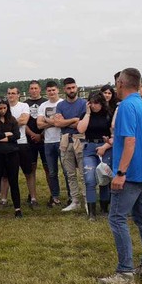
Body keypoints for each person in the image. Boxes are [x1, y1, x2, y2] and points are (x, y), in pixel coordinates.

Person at [98, 68, 142, 284]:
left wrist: (121, 172)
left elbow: (130, 141)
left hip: (130, 174)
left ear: (122, 84)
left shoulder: (125, 107)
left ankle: (125, 272)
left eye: (117, 83)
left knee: (117, 218)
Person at [52, 77, 87, 211]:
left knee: (84, 174)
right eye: (68, 88)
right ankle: (75, 200)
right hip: (66, 141)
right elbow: (57, 123)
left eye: (73, 87)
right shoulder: (60, 105)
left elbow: (82, 124)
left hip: (81, 140)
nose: (71, 90)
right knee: (70, 174)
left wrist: (66, 121)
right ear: (64, 89)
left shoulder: (83, 103)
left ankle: (86, 200)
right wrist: (73, 120)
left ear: (76, 87)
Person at [0, 98, 23, 219]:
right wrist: (6, 134)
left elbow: (17, 135)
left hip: (12, 153)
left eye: (5, 108)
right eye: (0, 108)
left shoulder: (12, 120)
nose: (2, 110)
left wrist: (1, 138)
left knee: (14, 181)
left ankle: (18, 209)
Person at [77, 91, 112, 220]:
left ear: (102, 103)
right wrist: (87, 113)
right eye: (91, 103)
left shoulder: (108, 115)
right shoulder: (86, 114)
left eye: (96, 103)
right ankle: (92, 212)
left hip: (105, 147)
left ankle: (104, 208)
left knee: (104, 178)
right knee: (90, 179)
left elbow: (114, 135)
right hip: (89, 147)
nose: (94, 106)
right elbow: (80, 130)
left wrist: (104, 147)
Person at [3, 86, 34, 206]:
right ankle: (4, 199)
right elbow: (1, 123)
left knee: (28, 172)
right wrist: (15, 122)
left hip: (22, 142)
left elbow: (24, 120)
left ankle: (33, 197)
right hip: (7, 144)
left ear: (18, 95)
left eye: (13, 93)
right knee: (6, 174)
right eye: (9, 93)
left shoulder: (23, 106)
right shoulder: (3, 107)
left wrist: (8, 123)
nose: (11, 95)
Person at [37, 81, 64, 208]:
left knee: (66, 171)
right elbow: (39, 124)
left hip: (62, 140)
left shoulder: (63, 103)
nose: (52, 92)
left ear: (58, 90)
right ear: (46, 92)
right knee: (52, 172)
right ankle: (55, 196)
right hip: (48, 142)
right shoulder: (43, 106)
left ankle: (71, 197)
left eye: (53, 90)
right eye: (49, 90)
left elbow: (64, 122)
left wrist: (47, 120)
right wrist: (54, 122)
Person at [25, 81, 48, 207]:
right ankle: (32, 196)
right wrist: (33, 134)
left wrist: (41, 135)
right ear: (29, 90)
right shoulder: (24, 104)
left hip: (45, 139)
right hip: (30, 139)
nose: (34, 90)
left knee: (48, 168)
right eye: (31, 88)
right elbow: (24, 123)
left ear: (40, 89)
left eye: (36, 88)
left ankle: (53, 195)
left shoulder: (45, 103)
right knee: (31, 169)